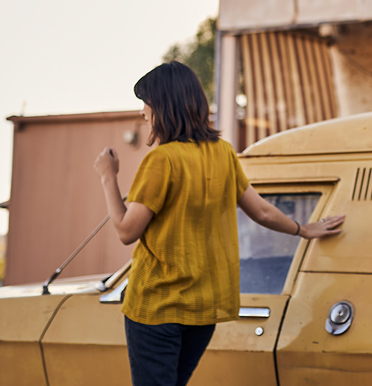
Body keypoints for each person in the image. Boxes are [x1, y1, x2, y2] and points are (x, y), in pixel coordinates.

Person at [93, 61, 345, 386]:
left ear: (164, 106)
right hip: (203, 309)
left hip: (158, 307)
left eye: (147, 103)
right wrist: (305, 229)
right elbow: (262, 212)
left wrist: (107, 177)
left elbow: (127, 231)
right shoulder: (223, 153)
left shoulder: (162, 160)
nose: (143, 112)